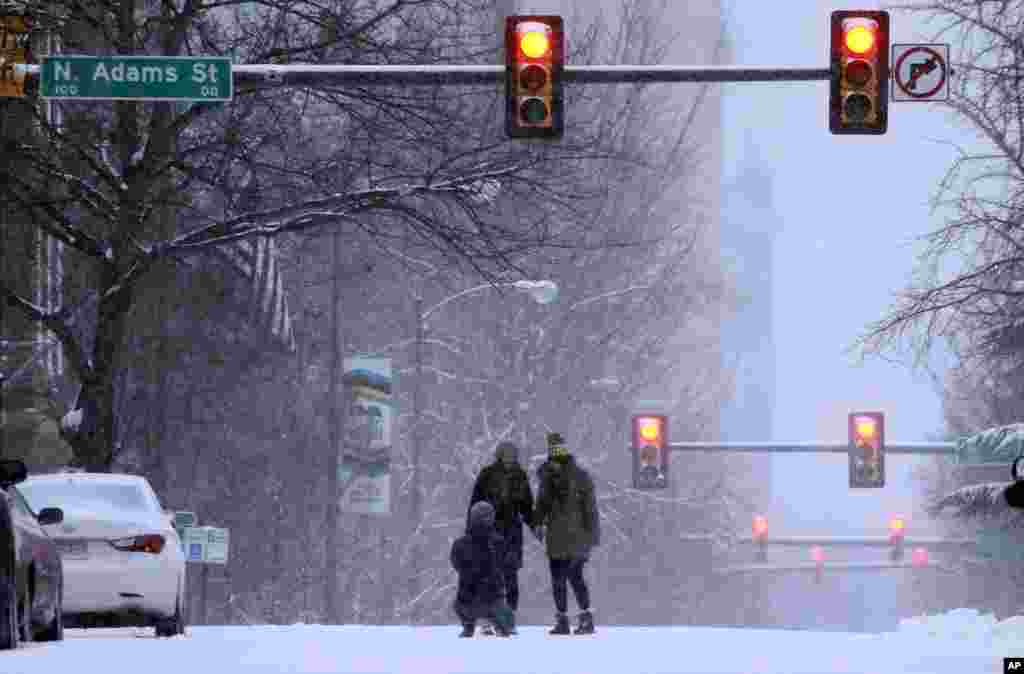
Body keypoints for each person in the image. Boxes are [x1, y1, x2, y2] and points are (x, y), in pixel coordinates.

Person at [534, 432, 601, 636]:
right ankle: (581, 618)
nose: (556, 452)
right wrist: (593, 535)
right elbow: (589, 508)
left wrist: (538, 523)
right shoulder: (576, 476)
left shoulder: (555, 476)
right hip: (570, 535)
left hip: (566, 535)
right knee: (571, 578)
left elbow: (542, 505)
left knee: (563, 579)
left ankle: (567, 620)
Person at [467, 440, 535, 634]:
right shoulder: (487, 475)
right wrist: (471, 531)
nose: (509, 459)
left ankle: (509, 620)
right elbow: (474, 504)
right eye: (506, 455)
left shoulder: (520, 476)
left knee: (511, 578)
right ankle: (488, 622)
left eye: (512, 455)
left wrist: (536, 526)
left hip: (513, 534)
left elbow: (527, 507)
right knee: (488, 578)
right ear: (499, 455)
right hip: (488, 533)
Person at [450, 501, 514, 638]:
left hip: (467, 599)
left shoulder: (460, 544)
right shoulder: (500, 542)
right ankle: (500, 624)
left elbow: (456, 564)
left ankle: (468, 625)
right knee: (505, 617)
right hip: (494, 600)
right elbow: (507, 564)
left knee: (458, 604)